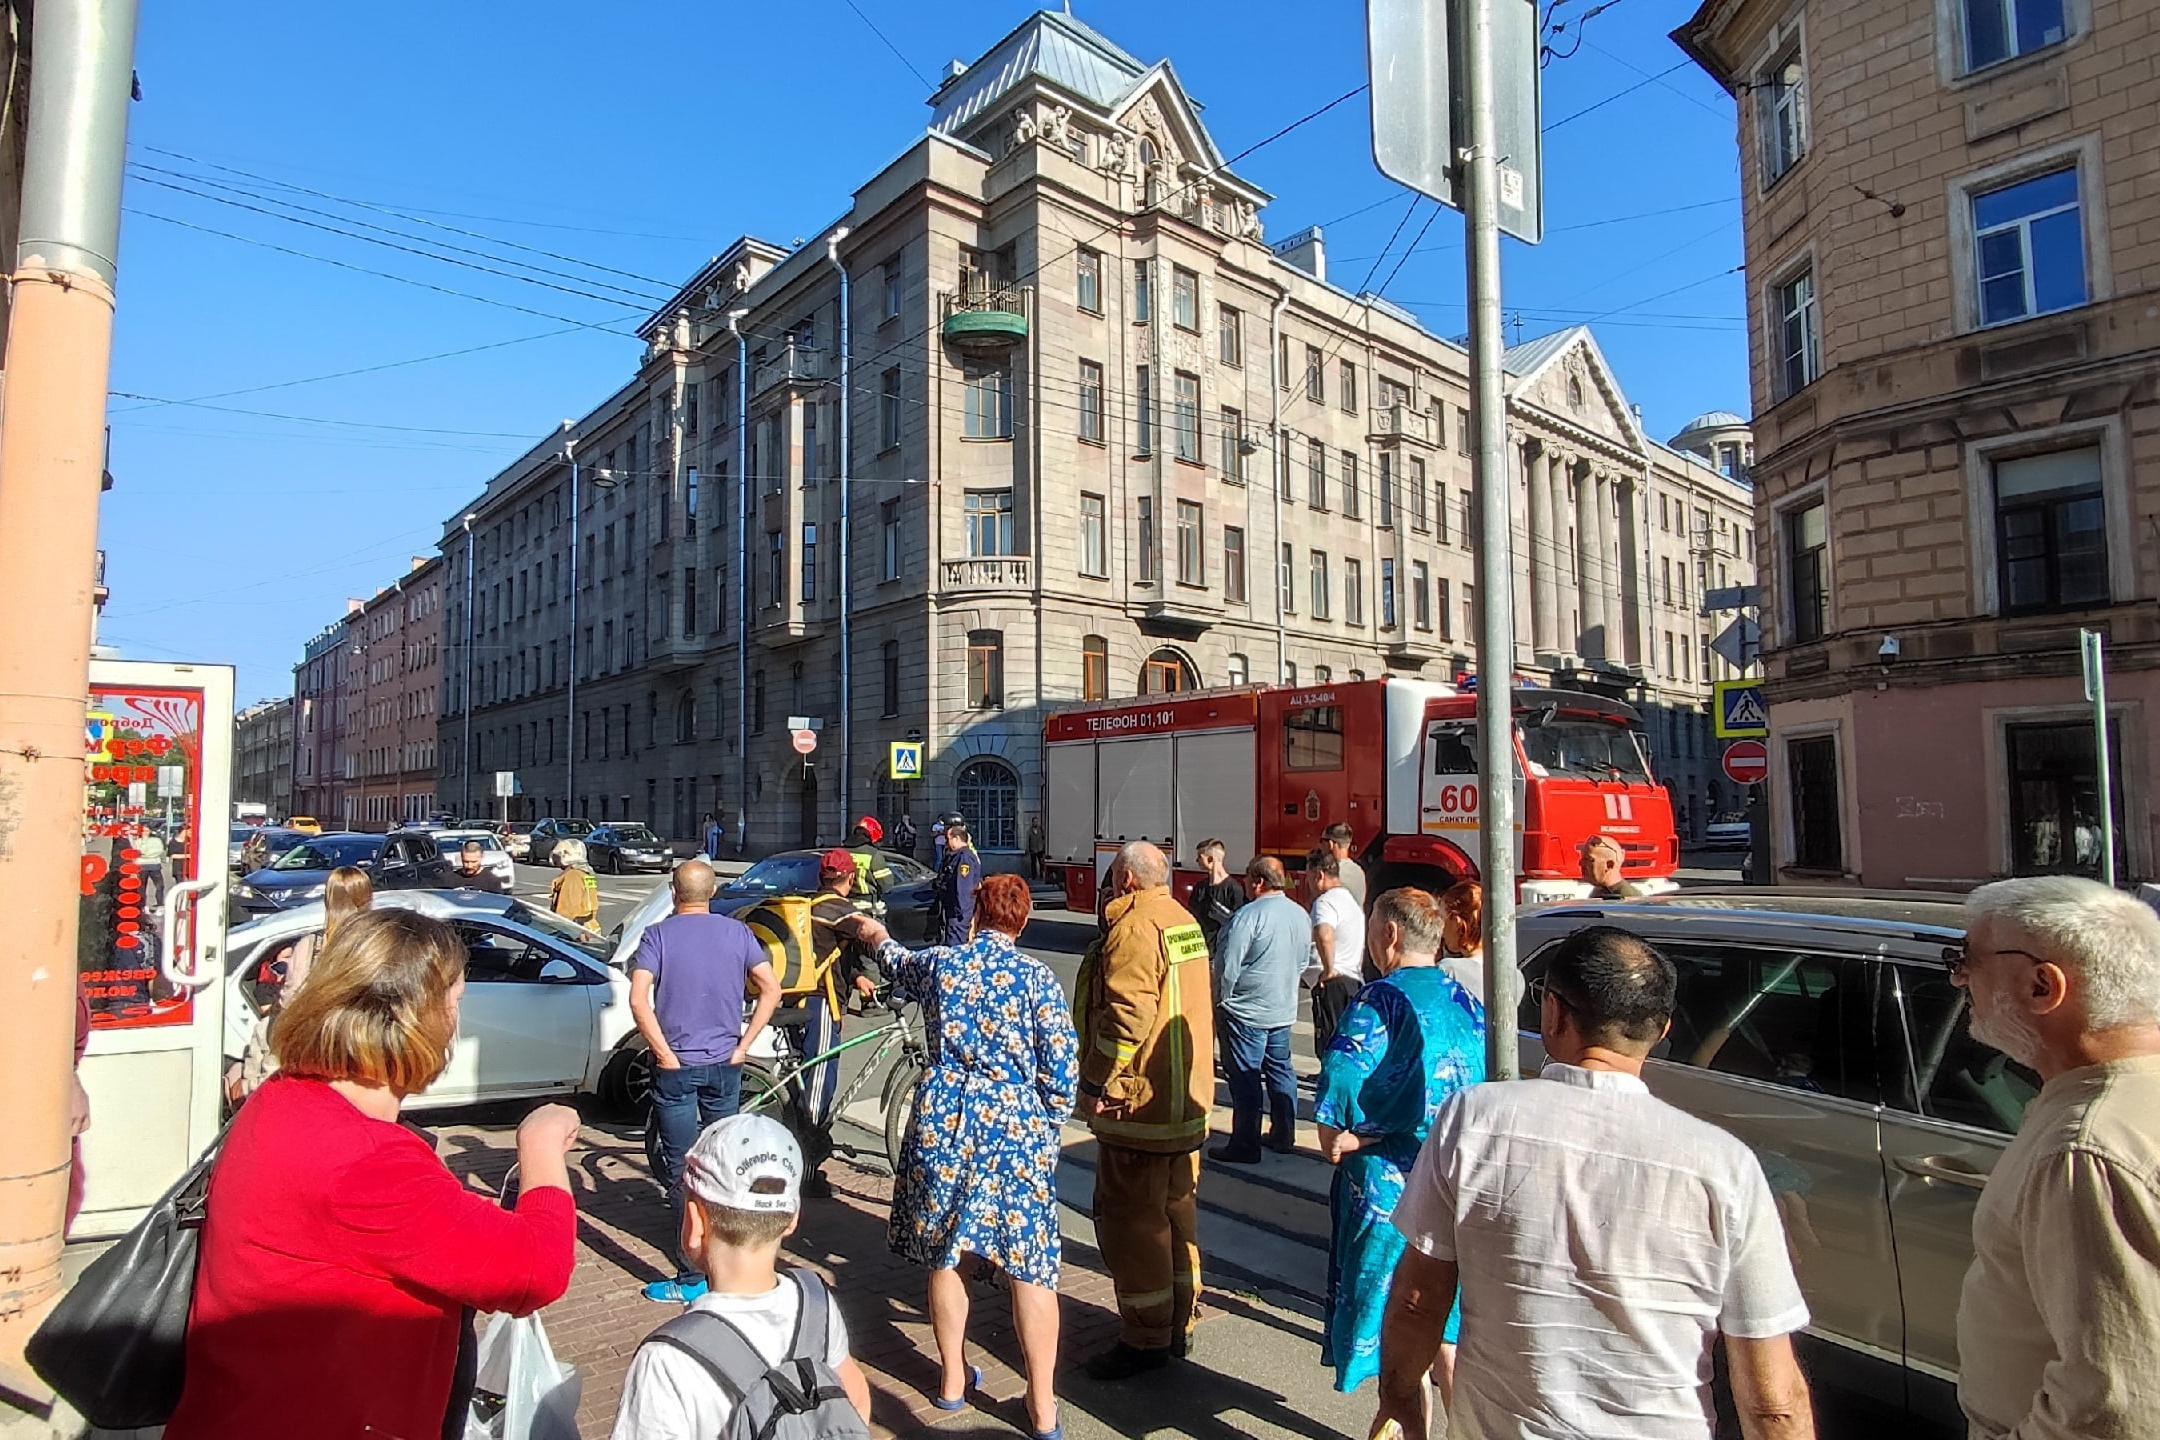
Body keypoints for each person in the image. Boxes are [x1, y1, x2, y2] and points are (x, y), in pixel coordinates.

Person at [1374, 925, 1814, 1440]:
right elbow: (1773, 1400)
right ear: (1662, 1029)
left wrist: (1400, 1398)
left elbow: (1417, 1300)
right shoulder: (1724, 1165)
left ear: (1554, 1013)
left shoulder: (1474, 1120)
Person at [165, 908, 581, 1440]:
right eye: (454, 1004)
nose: (457, 1019)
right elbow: (534, 1270)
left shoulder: (284, 1097)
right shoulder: (369, 1165)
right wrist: (541, 1148)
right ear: (420, 1020)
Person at [851, 874, 1076, 1439]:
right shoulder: (1038, 979)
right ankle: (1042, 1404)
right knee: (1031, 1263)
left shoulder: (944, 966)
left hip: (946, 1118)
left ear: (976, 914)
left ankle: (952, 1379)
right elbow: (1063, 1073)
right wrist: (1043, 1129)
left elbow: (895, 960)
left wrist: (871, 931)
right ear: (1022, 922)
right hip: (1013, 1123)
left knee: (949, 1252)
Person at [1951, 876, 2160, 1438]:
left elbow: (2112, 1403)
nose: (1958, 978)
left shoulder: (2085, 1147)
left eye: (1965, 957)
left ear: (2044, 985)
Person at [1313, 888, 1485, 1396]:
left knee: (1396, 1334)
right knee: (1444, 1329)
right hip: (1451, 1181)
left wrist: (1339, 1135)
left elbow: (1343, 1071)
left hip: (1389, 1190)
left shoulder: (1381, 997)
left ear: (1389, 933)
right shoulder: (1465, 1000)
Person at [610, 1114, 873, 1440]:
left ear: (694, 1224)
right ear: (792, 1219)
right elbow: (855, 1395)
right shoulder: (816, 1300)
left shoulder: (667, 1359)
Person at [1075, 841, 1215, 1379]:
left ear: (1129, 880)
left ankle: (1145, 1337)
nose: (1109, 888)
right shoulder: (1182, 920)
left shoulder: (1134, 928)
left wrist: (1095, 1080)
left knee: (1133, 1224)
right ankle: (1179, 1320)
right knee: (1177, 1213)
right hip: (1184, 1101)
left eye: (1112, 878)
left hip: (1140, 1107)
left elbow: (1126, 1020)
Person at [631, 859, 786, 1304]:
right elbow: (770, 988)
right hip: (726, 1065)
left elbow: (638, 998)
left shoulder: (657, 935)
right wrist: (743, 1045)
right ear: (713, 892)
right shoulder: (737, 933)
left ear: (672, 891)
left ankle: (690, 1274)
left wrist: (663, 1051)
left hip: (676, 1068)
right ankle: (734, 1262)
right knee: (724, 1162)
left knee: (683, 1168)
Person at [793, 849, 887, 1198]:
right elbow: (865, 929)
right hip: (817, 1003)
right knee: (818, 1084)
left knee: (814, 1080)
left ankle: (809, 1149)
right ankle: (805, 1170)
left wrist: (860, 977)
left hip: (819, 1001)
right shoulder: (835, 907)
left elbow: (836, 951)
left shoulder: (815, 904)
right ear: (849, 879)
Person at [236, 865, 373, 1098]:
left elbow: (290, 995)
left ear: (328, 899)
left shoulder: (311, 945)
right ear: (366, 898)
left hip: (308, 1049)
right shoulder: (373, 946)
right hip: (356, 1050)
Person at [1208, 857, 1309, 1163]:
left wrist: (1219, 1000)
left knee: (1245, 1077)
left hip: (1245, 1010)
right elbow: (1304, 961)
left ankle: (1245, 1143)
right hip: (1281, 1007)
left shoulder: (1247, 917)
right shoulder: (1300, 914)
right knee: (1280, 1070)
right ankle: (1283, 1131)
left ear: (1258, 882)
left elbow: (1227, 966)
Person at [1304, 850, 1364, 1056]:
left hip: (1333, 983)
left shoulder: (1325, 902)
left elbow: (1324, 933)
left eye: (1309, 878)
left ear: (1319, 875)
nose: (1309, 885)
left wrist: (1328, 969)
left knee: (1329, 1043)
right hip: (1351, 978)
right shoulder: (1350, 901)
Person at [1185, 839, 1245, 955]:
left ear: (1210, 859)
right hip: (1202, 951)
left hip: (1224, 953)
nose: (1196, 860)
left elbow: (1239, 926)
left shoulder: (1234, 889)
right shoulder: (1200, 888)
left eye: (1200, 857)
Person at [932, 821, 981, 947]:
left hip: (958, 913)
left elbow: (963, 887)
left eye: (948, 839)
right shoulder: (955, 856)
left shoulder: (964, 858)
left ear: (957, 838)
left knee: (956, 947)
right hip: (954, 910)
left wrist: (960, 912)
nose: (946, 843)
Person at [1438, 879, 1484, 1000]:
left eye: (1443, 920)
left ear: (1458, 923)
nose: (1441, 930)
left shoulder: (1448, 970)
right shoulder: (1514, 975)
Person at [551, 838, 601, 929]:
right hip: (590, 928)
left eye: (557, 856)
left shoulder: (573, 876)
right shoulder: (584, 873)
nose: (554, 859)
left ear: (566, 855)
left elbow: (568, 910)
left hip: (577, 932)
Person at [1580, 833, 1645, 899]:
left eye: (1589, 860)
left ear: (1609, 865)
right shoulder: (1600, 891)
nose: (1580, 863)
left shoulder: (1627, 900)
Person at [847, 814, 896, 901]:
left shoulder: (839, 852)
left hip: (841, 905)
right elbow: (886, 884)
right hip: (866, 906)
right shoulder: (873, 854)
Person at [1322, 822, 1367, 905]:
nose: (1320, 845)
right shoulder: (1359, 871)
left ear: (1330, 844)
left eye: (1322, 840)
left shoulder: (1329, 874)